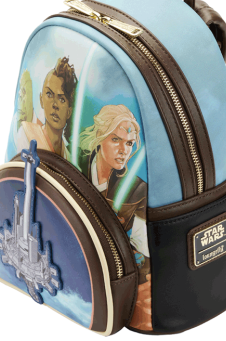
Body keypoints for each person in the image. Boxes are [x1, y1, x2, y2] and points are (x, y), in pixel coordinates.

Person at [79, 104, 152, 330]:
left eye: (129, 143)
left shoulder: (138, 190)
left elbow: (145, 252)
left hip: (113, 287)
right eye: (115, 140)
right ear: (100, 137)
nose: (123, 150)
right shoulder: (76, 162)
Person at [17, 57, 77, 160]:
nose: (55, 104)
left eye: (62, 99)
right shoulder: (26, 133)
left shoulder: (70, 158)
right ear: (41, 100)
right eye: (49, 94)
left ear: (69, 112)